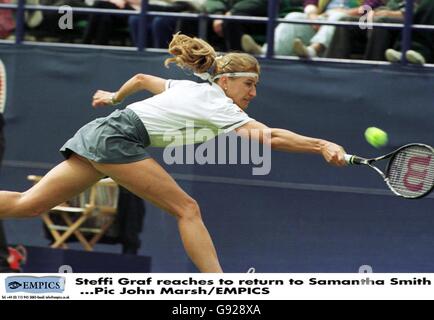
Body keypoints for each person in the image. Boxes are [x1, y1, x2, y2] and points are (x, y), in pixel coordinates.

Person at [0, 33, 346, 273]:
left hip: (101, 132)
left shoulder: (187, 86)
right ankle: (219, 287)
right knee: (188, 209)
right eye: (249, 84)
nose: (253, 92)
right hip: (118, 138)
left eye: (256, 85)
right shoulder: (218, 104)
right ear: (225, 82)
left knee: (29, 205)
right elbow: (268, 138)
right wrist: (321, 145)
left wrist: (113, 97)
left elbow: (139, 78)